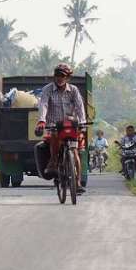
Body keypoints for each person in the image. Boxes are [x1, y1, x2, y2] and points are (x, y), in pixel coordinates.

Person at [34, 63, 87, 193]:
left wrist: (83, 122)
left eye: (62, 76)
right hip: (54, 125)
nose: (59, 78)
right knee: (53, 138)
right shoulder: (47, 89)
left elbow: (80, 107)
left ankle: (78, 182)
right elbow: (44, 104)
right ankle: (52, 161)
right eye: (57, 75)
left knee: (74, 152)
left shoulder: (73, 90)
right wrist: (41, 120)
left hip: (70, 125)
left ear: (68, 78)